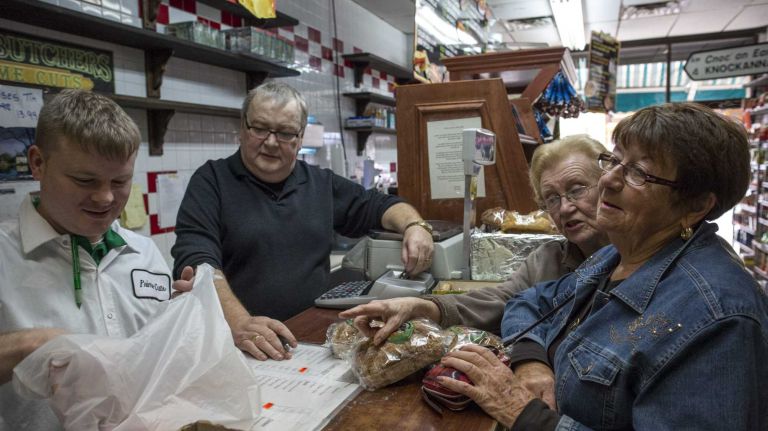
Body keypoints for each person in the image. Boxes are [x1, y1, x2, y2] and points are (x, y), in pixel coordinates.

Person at [437, 103, 768, 430]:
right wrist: (531, 361)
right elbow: (531, 301)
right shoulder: (617, 257)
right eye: (615, 159)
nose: (609, 180)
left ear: (696, 206)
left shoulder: (719, 320)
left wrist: (522, 412)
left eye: (638, 172)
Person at [171, 80, 434, 361]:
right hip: (236, 346)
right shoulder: (211, 181)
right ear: (242, 127)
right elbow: (197, 260)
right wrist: (239, 322)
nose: (271, 142)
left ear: (300, 137)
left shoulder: (320, 183)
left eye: (284, 133)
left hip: (308, 343)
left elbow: (381, 205)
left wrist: (415, 226)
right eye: (260, 128)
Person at [340, 135, 610, 407]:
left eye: (577, 189)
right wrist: (420, 306)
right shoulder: (549, 258)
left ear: (609, 185)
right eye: (552, 198)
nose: (564, 207)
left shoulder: (635, 264)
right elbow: (503, 300)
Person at [0, 90, 193, 430]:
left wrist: (183, 318)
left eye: (120, 181)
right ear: (38, 163)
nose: (105, 198)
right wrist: (29, 345)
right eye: (84, 180)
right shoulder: (4, 255)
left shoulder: (143, 253)